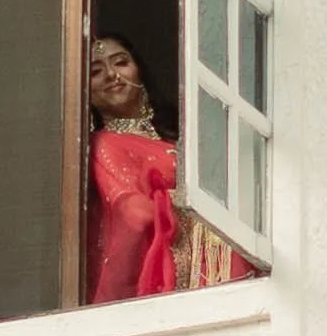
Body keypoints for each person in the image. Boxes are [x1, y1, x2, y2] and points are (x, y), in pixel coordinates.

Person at [86, 33, 256, 304]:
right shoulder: (105, 144)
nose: (111, 75)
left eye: (120, 63)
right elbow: (134, 213)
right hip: (181, 267)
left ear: (139, 71)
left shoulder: (180, 137)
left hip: (219, 255)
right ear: (87, 92)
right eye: (96, 71)